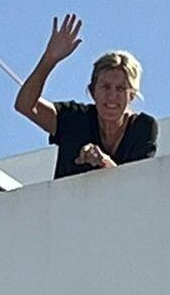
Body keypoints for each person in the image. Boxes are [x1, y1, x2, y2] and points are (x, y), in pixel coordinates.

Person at [14, 15, 159, 178]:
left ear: (131, 96)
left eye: (120, 89)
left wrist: (103, 161)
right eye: (105, 87)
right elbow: (25, 105)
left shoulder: (143, 127)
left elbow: (138, 185)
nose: (112, 95)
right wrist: (50, 59)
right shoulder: (74, 119)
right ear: (92, 91)